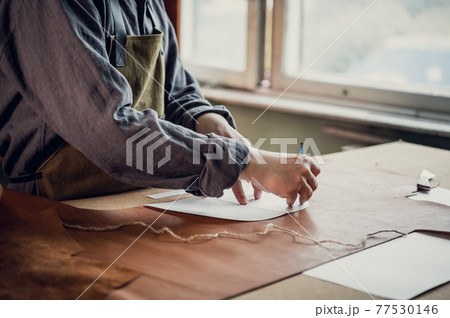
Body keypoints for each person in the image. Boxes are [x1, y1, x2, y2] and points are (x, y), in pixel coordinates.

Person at [0, 0, 319, 206]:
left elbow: (174, 91)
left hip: (142, 195)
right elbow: (109, 132)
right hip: (52, 209)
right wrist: (243, 162)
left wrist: (212, 124)